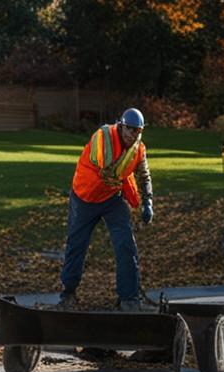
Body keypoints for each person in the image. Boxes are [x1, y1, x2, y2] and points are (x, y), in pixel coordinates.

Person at [57, 107, 154, 311]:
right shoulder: (102, 138)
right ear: (121, 126)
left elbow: (144, 175)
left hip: (112, 199)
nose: (133, 135)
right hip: (84, 199)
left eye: (138, 131)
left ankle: (129, 298)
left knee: (125, 244)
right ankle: (68, 293)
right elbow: (105, 164)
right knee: (76, 245)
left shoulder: (139, 149)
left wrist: (148, 202)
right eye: (130, 129)